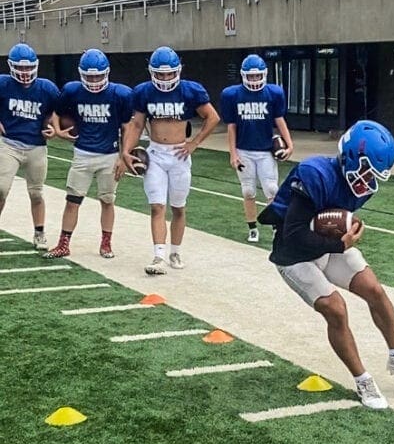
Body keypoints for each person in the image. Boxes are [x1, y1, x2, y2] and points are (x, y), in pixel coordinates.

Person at [258, 120, 394, 410]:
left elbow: (330, 223)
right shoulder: (314, 174)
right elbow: (295, 233)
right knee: (336, 309)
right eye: (366, 172)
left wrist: (342, 231)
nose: (368, 182)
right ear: (350, 159)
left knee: (375, 290)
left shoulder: (362, 188)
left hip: (326, 245)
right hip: (292, 252)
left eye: (374, 175)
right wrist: (340, 243)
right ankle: (362, 380)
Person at [118, 46, 219, 275]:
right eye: (160, 74)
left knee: (179, 208)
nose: (165, 78)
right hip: (155, 153)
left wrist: (194, 143)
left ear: (178, 71)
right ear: (152, 72)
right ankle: (158, 256)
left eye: (169, 73)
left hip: (180, 155)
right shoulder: (144, 92)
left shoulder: (190, 90)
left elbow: (212, 117)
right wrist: (126, 151)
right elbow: (136, 124)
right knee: (156, 206)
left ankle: (175, 251)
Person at [43, 49, 133, 259]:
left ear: (107, 73)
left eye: (98, 76)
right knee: (72, 200)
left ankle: (106, 243)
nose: (93, 80)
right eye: (89, 76)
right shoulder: (73, 91)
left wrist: (123, 155)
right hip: (83, 153)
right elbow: (56, 113)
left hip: (109, 154)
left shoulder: (120, 94)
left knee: (107, 200)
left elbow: (128, 126)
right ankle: (64, 243)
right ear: (81, 73)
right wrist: (58, 130)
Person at [220, 54, 293, 243]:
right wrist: (233, 153)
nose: (254, 80)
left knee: (271, 189)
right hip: (244, 150)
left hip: (265, 150)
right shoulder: (232, 95)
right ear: (243, 76)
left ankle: (277, 228)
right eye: (250, 77)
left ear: (264, 74)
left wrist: (290, 143)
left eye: (257, 76)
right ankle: (252, 228)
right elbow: (231, 126)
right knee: (248, 191)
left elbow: (279, 119)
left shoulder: (274, 93)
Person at [0, 43, 59, 249]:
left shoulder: (47, 88)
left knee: (36, 192)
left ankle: (39, 232)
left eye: (28, 67)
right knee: (1, 188)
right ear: (11, 66)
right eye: (20, 68)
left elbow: (55, 115)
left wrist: (52, 127)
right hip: (9, 144)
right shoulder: (3, 84)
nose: (25, 72)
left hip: (36, 146)